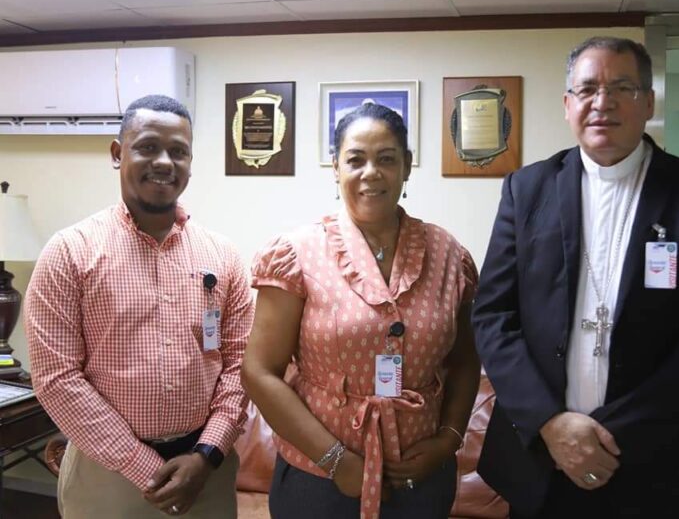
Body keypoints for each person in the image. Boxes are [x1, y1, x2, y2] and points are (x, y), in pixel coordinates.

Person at [472, 36, 679, 519]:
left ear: (648, 102)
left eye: (622, 87)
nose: (602, 102)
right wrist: (552, 424)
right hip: (543, 459)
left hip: (660, 460)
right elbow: (494, 316)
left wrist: (613, 434)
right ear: (567, 105)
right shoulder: (527, 189)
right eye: (587, 90)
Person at [241, 103, 480, 519]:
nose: (371, 172)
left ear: (407, 166)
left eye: (387, 159)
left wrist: (447, 441)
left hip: (420, 478)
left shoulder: (447, 254)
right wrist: (336, 460)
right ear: (335, 167)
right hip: (318, 479)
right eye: (356, 159)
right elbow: (259, 372)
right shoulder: (297, 253)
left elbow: (464, 361)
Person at [24, 94, 255, 518]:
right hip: (108, 476)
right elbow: (57, 379)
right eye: (148, 146)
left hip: (208, 473)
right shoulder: (70, 253)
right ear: (118, 153)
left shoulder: (223, 256)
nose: (164, 161)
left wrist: (207, 455)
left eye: (178, 151)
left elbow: (241, 366)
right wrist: (144, 466)